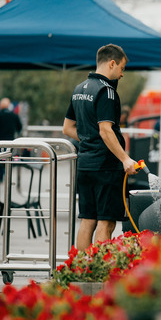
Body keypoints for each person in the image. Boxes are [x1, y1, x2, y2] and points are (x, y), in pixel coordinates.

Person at [63, 44, 138, 251]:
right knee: (106, 221)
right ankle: (98, 273)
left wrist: (89, 139)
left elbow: (67, 128)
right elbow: (106, 130)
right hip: (105, 166)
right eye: (122, 68)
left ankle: (81, 269)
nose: (122, 74)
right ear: (112, 63)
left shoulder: (79, 89)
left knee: (87, 219)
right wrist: (124, 158)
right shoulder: (107, 91)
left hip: (85, 164)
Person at [0, 98, 23, 184]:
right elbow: (19, 127)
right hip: (10, 141)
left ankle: (0, 175)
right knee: (8, 158)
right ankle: (7, 174)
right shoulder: (13, 115)